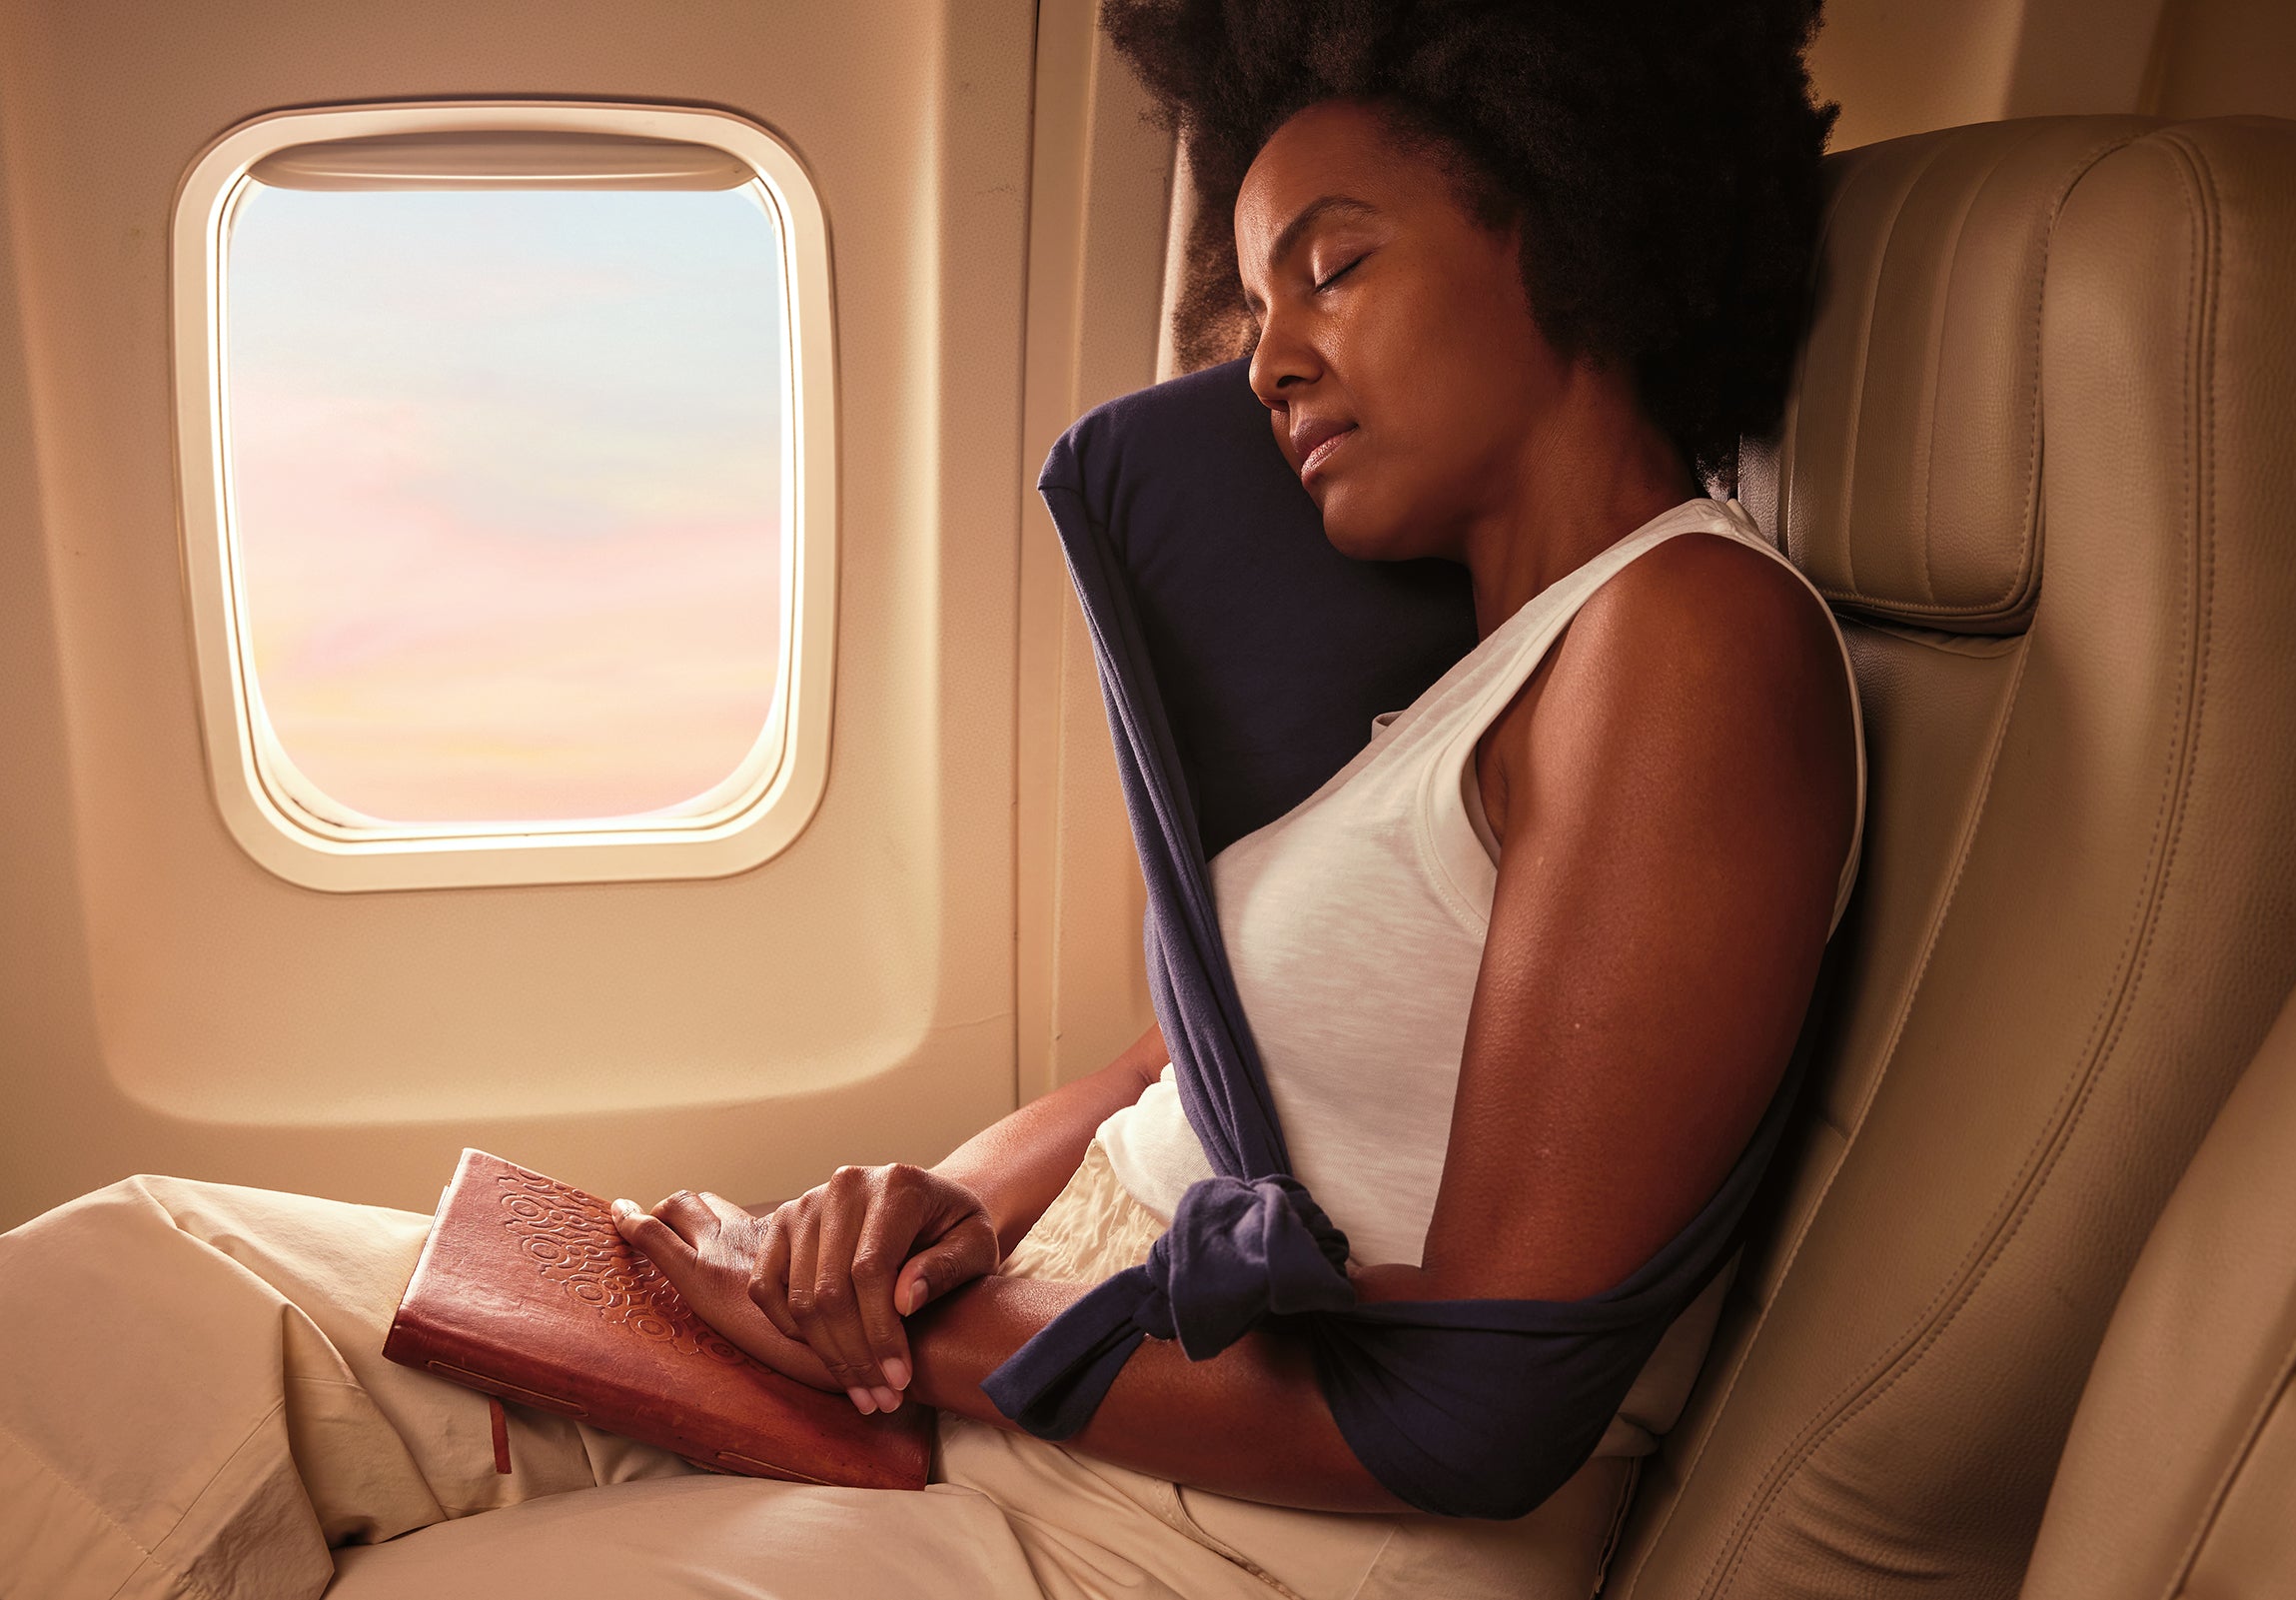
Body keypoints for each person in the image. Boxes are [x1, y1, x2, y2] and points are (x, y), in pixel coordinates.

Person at [0, 3, 1855, 1596]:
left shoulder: (1685, 635)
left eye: (1338, 262)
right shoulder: (1465, 684)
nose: (1269, 352)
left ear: (1576, 228)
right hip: (1025, 1374)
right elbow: (1161, 1085)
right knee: (138, 1275)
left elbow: (1479, 1409)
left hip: (1200, 1533)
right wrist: (900, 1216)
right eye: (1258, 288)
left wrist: (932, 1345)